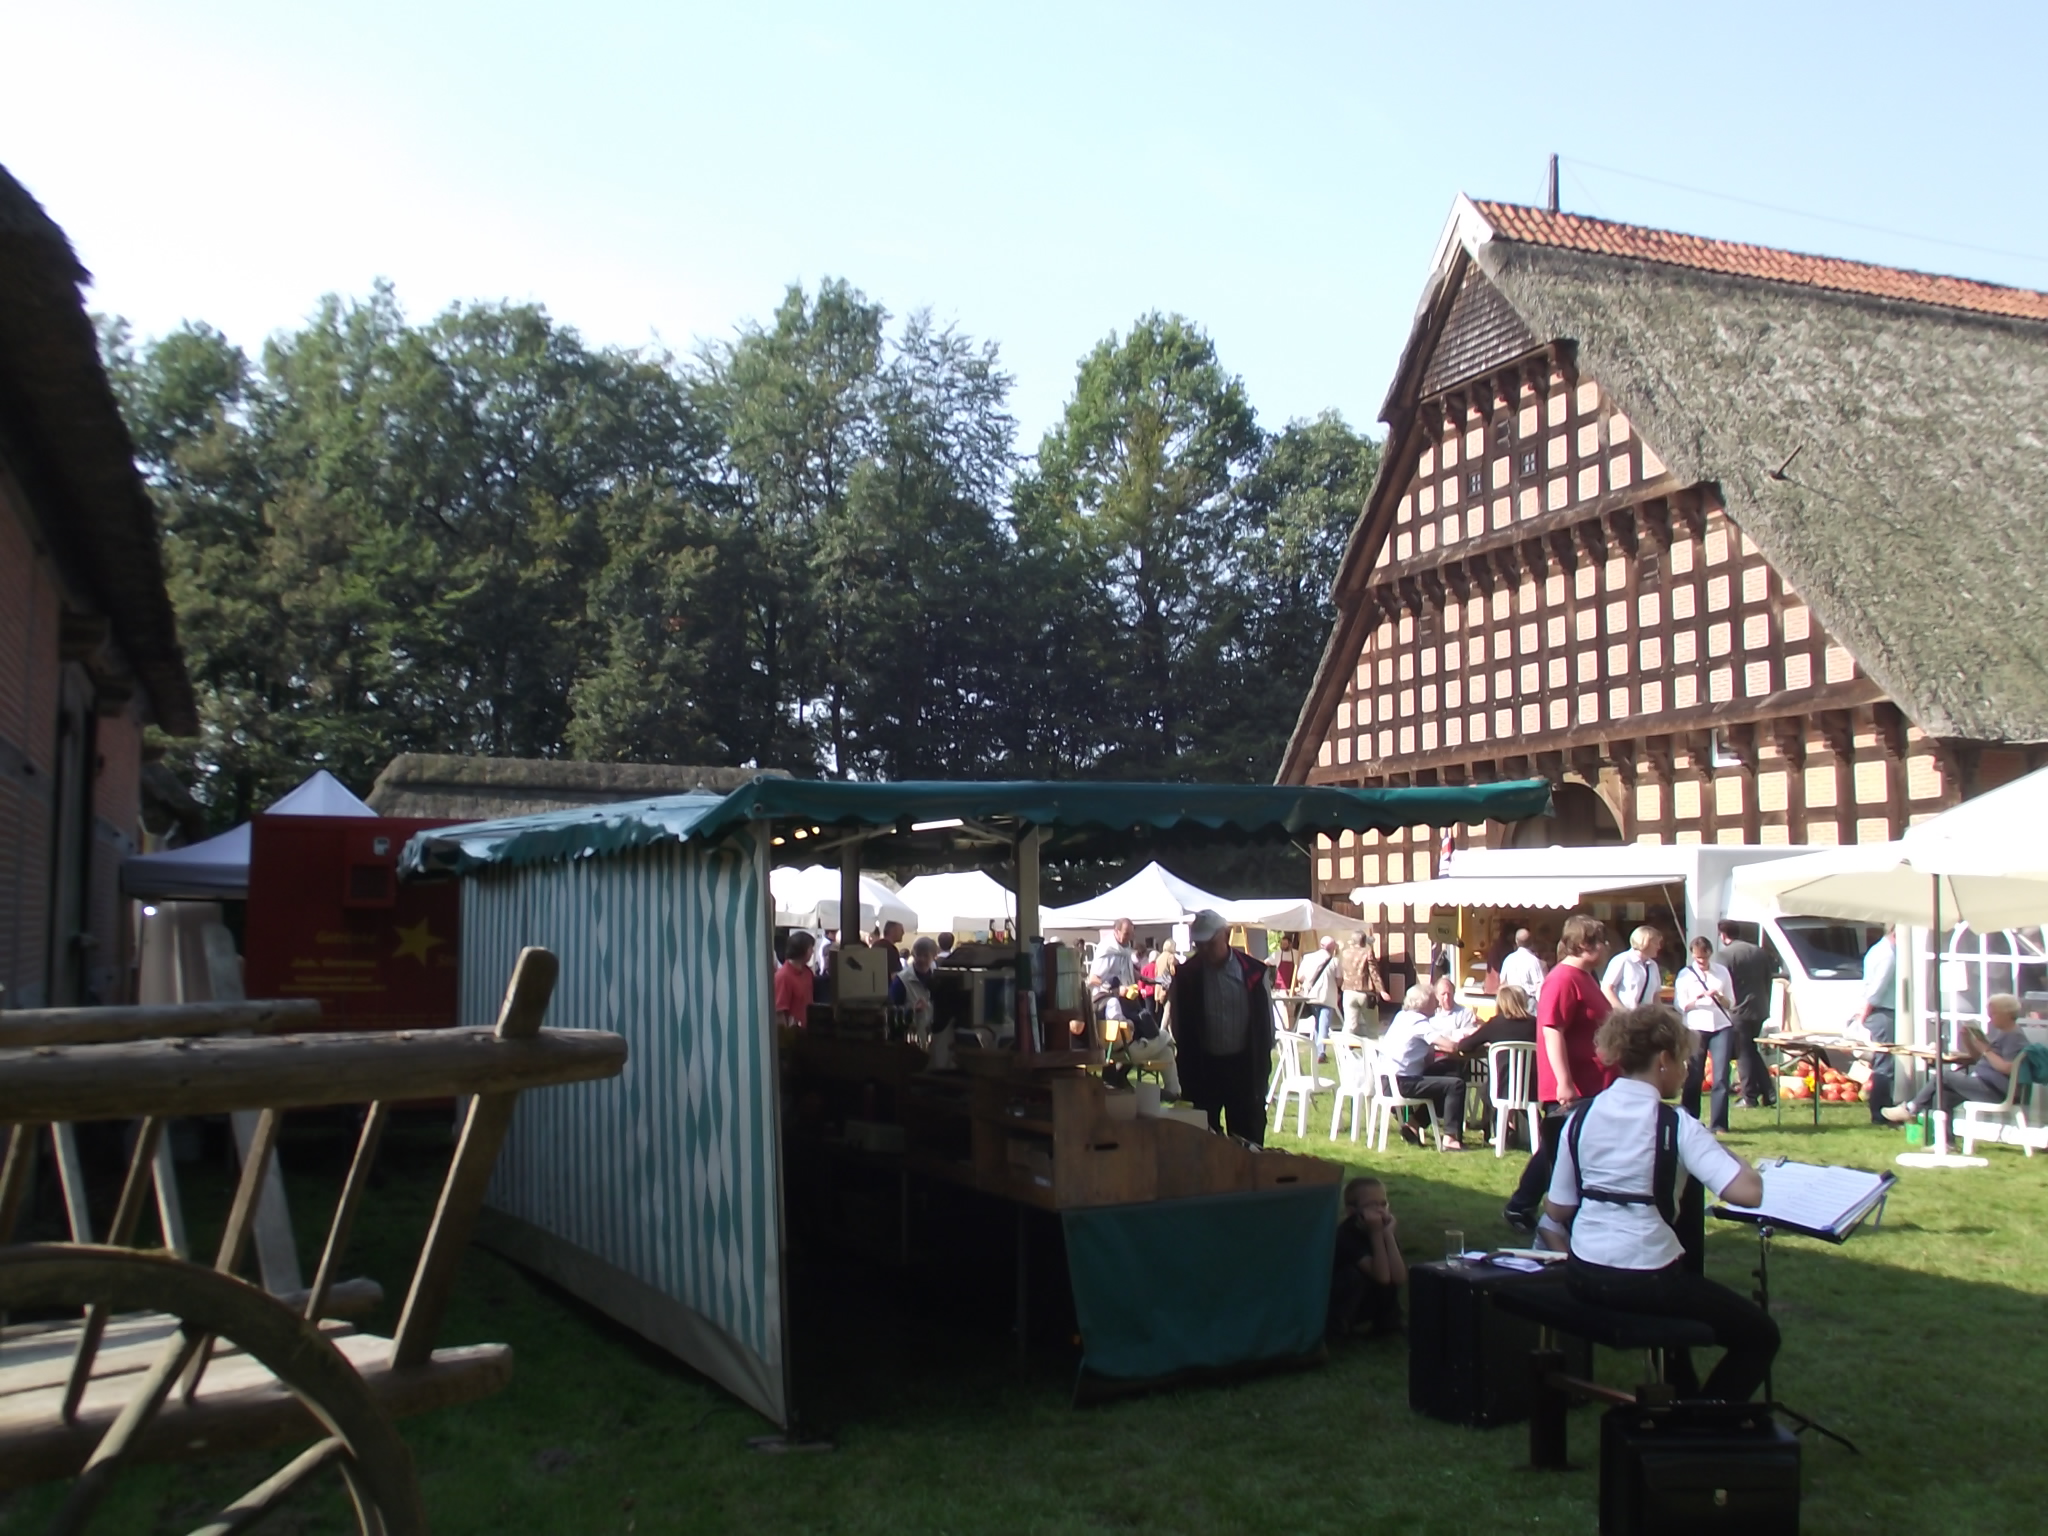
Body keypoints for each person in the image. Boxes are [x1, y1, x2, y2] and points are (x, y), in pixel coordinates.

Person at [1539, 1003, 1778, 1402]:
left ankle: (1682, 1402)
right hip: (1647, 1278)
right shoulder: (1676, 1124)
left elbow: (1557, 1210)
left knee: (1682, 1304)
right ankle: (1703, 1422)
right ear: (1664, 1060)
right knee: (1761, 1335)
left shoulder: (1580, 1118)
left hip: (1585, 1273)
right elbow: (1747, 1193)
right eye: (1684, 1060)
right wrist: (1739, 1161)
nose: (1686, 1069)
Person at [1503, 914, 1613, 1232]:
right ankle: (1534, 1209)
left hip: (1594, 1081)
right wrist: (1564, 1081)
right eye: (1600, 941)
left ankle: (1525, 1205)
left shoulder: (1586, 977)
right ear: (1582, 945)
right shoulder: (1563, 979)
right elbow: (1552, 1029)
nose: (1606, 947)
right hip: (1574, 1084)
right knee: (1561, 1151)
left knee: (1561, 1149)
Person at [1164, 909, 1273, 1144]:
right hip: (1203, 1068)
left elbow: (1265, 1027)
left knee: (1247, 1137)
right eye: (1199, 945)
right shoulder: (1187, 975)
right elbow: (1179, 1024)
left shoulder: (1253, 973)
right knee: (1202, 1140)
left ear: (1227, 934)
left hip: (1243, 1067)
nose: (1204, 951)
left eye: (1209, 944)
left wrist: (1261, 1068)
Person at [1884, 993, 2029, 1124]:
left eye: (1994, 1013)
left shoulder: (2014, 1037)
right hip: (1985, 1083)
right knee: (1945, 1096)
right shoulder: (2003, 1033)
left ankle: (1911, 1108)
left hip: (1995, 1090)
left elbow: (2008, 1068)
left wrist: (1986, 1050)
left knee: (1943, 1075)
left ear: (2007, 1014)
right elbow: (1980, 1059)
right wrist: (1968, 1040)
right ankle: (1946, 1142)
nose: (1990, 1017)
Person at [1377, 983, 1469, 1149]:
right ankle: (1451, 1138)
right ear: (1424, 1003)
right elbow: (1448, 1046)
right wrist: (1464, 1042)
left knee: (1446, 1071)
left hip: (1386, 1080)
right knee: (1456, 1084)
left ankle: (1412, 1126)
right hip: (1402, 1083)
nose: (1438, 1004)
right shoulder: (1419, 1022)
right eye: (1434, 1000)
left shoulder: (1401, 1016)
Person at [1328, 1175, 1407, 1339]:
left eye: (1383, 1204)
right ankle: (1339, 1328)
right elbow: (1382, 1277)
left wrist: (1388, 1236)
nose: (1380, 1210)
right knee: (1356, 1275)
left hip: (1370, 1297)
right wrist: (1376, 1233)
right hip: (1345, 1299)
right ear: (1351, 1211)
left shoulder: (1383, 1229)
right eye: (1371, 1205)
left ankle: (1388, 1322)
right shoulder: (1346, 1235)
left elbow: (1399, 1277)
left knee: (1388, 1264)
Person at [1676, 936, 1739, 1134]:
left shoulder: (1721, 972)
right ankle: (1690, 1119)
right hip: (1696, 1025)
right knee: (1694, 1074)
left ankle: (1719, 1124)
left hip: (1721, 1025)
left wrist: (1719, 997)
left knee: (1720, 1076)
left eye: (1703, 958)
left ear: (1710, 954)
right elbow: (1680, 1005)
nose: (1701, 962)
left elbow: (1732, 1003)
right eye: (1697, 958)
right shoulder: (1685, 975)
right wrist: (1696, 999)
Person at [1716, 921, 1775, 1108]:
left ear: (1723, 935)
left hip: (1738, 1009)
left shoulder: (1724, 955)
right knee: (1750, 1050)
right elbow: (1768, 979)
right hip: (1760, 1007)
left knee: (1743, 1053)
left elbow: (1722, 984)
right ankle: (1769, 1091)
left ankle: (1749, 1096)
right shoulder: (1758, 951)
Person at [1854, 926, 1898, 1123]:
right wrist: (1864, 1012)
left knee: (1883, 1062)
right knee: (1884, 1063)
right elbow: (1877, 987)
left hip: (1879, 1010)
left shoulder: (1877, 949)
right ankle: (1880, 1112)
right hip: (1883, 1012)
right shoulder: (1888, 954)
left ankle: (1882, 1109)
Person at [1295, 936, 1344, 1057]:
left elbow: (1299, 977)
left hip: (1311, 996)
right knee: (1324, 1024)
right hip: (1327, 996)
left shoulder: (1308, 957)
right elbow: (1339, 981)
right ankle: (1320, 1053)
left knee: (1317, 1024)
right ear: (1332, 947)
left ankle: (1317, 1050)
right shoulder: (1334, 961)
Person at [1601, 925, 1665, 1010]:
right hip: (1624, 1017)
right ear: (1644, 942)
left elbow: (1655, 995)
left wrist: (1661, 1015)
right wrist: (1622, 1012)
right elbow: (1606, 989)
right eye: (1656, 943)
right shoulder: (1622, 960)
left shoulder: (1653, 965)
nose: (1659, 947)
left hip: (1646, 1018)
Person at [1339, 930, 1385, 1036]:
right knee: (1372, 1026)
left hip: (1348, 990)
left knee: (1350, 1025)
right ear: (1364, 940)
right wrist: (1381, 990)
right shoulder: (1367, 952)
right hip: (1365, 991)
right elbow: (1373, 972)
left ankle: (1344, 1049)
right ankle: (1371, 1050)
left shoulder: (1345, 952)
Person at [775, 932, 816, 1027]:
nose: (812, 952)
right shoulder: (783, 977)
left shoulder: (807, 972)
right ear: (801, 950)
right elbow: (779, 1012)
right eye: (810, 948)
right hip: (793, 1035)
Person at [1499, 927, 1548, 998]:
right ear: (1531, 941)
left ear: (1516, 941)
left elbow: (1502, 982)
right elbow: (1539, 985)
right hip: (1529, 1001)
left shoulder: (1508, 959)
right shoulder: (1534, 961)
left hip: (1513, 1000)